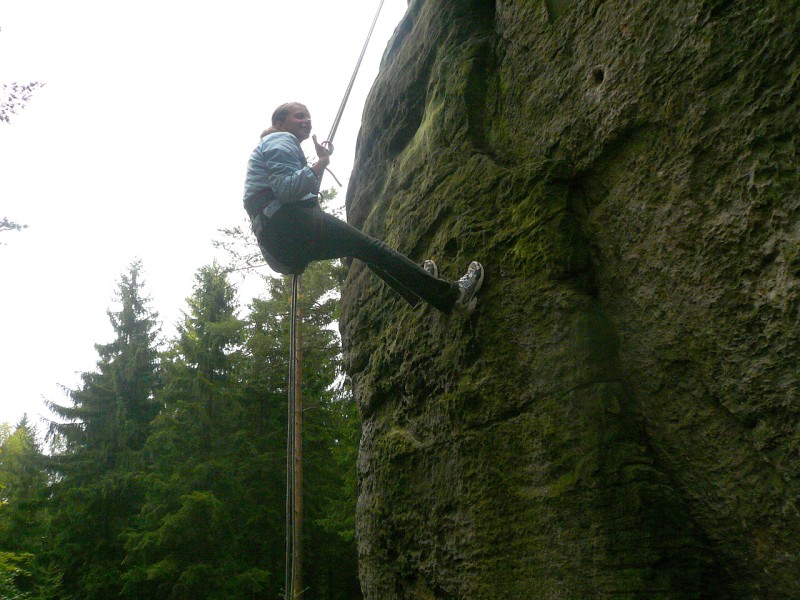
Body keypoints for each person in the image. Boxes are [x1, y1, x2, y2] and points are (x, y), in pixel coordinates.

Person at [243, 102, 484, 314]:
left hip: (278, 244)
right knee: (371, 247)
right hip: (286, 222)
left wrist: (319, 163)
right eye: (299, 116)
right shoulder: (280, 139)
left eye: (308, 116)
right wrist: (322, 162)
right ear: (279, 122)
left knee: (364, 250)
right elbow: (287, 189)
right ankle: (454, 296)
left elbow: (295, 189)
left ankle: (421, 288)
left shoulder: (272, 146)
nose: (307, 121)